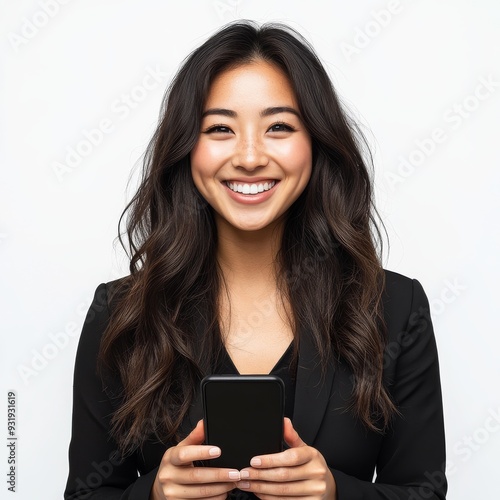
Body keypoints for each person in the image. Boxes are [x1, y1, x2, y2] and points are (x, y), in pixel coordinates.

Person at [64, 20, 447, 500]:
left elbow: (423, 492)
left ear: (316, 143)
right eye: (220, 128)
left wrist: (334, 493)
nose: (249, 156)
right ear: (187, 148)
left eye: (279, 127)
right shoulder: (121, 313)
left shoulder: (395, 308)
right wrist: (154, 495)